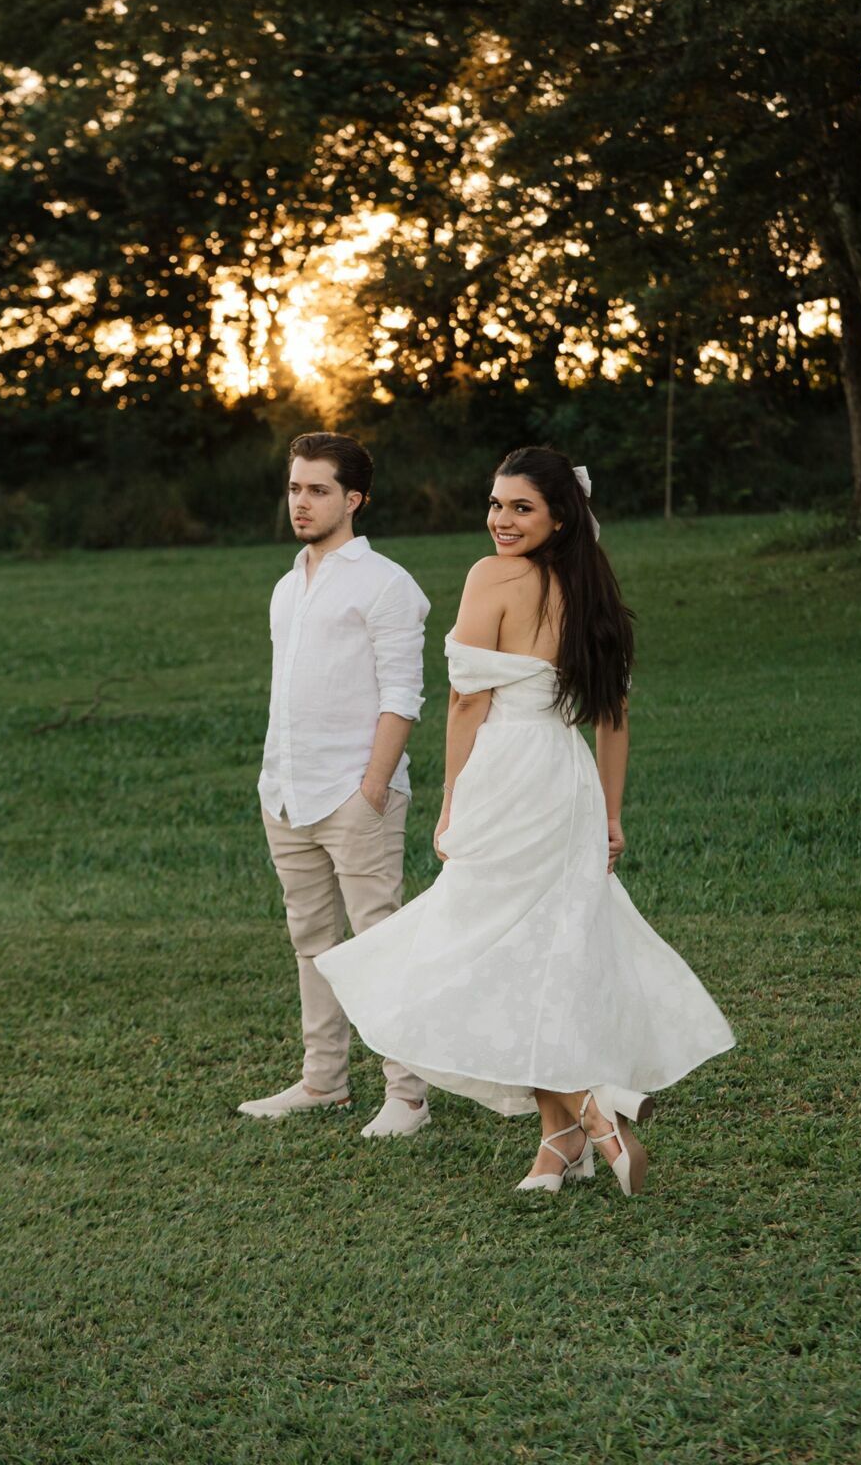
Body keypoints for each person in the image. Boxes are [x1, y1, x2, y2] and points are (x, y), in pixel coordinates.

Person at [316, 445, 734, 1195]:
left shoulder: (490, 578)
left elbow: (466, 702)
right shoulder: (594, 593)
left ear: (558, 515)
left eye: (520, 508)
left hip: (507, 775)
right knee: (548, 953)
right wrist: (609, 815)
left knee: (485, 950)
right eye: (496, 504)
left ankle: (593, 1115)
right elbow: (612, 721)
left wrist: (449, 801)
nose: (500, 521)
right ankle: (559, 1142)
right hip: (567, 780)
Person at [238, 431, 432, 1139]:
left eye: (318, 490)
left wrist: (373, 788)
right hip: (286, 793)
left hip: (357, 797)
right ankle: (323, 1081)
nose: (302, 502)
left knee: (376, 944)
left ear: (353, 499)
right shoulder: (288, 585)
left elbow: (403, 695)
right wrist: (272, 781)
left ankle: (406, 1097)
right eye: (294, 487)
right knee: (312, 941)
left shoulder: (386, 584)